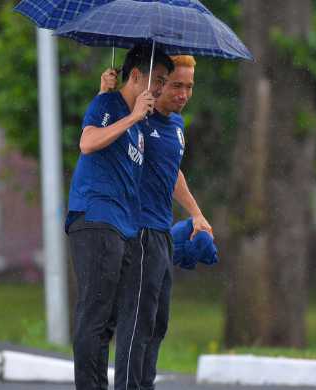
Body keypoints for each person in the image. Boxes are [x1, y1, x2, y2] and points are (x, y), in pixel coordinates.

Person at [99, 55, 213, 390]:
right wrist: (105, 92)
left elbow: (171, 170)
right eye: (174, 84)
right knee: (137, 322)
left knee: (157, 323)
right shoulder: (136, 117)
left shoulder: (176, 125)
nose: (182, 93)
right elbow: (100, 134)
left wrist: (196, 213)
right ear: (156, 83)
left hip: (163, 232)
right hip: (138, 231)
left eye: (189, 87)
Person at [65, 44, 174, 390]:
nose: (160, 90)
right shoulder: (109, 105)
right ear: (136, 76)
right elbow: (88, 142)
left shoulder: (137, 126)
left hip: (123, 227)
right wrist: (129, 115)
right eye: (157, 81)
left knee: (108, 320)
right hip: (96, 216)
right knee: (94, 315)